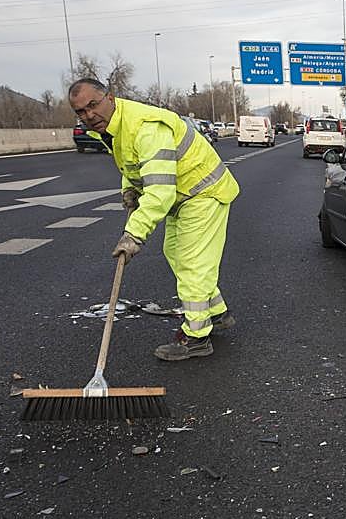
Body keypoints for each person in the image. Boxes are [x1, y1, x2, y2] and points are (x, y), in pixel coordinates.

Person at [68, 79, 239, 361]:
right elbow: (133, 162)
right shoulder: (115, 126)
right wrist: (130, 189)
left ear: (109, 97)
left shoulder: (145, 127)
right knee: (174, 252)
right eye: (81, 112)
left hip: (202, 191)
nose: (89, 115)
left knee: (191, 261)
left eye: (93, 105)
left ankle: (196, 337)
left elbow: (160, 192)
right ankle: (217, 313)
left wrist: (133, 235)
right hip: (184, 195)